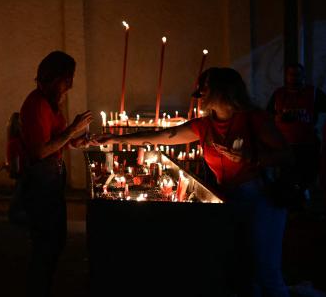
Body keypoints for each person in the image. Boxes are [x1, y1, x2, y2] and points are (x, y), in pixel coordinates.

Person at [96, 67, 291, 297]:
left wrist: (252, 158)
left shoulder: (254, 120)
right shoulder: (204, 126)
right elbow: (162, 136)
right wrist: (116, 138)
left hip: (260, 200)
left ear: (222, 90)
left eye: (205, 88)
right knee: (242, 268)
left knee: (266, 268)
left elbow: (287, 155)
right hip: (228, 201)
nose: (199, 94)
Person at [19, 51, 93, 297]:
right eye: (67, 79)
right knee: (45, 243)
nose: (70, 85)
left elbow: (58, 140)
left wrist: (77, 140)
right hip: (40, 180)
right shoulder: (36, 104)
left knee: (56, 239)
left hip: (52, 178)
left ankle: (43, 286)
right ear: (53, 77)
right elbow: (40, 151)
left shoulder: (51, 103)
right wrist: (72, 131)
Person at [266, 63, 326, 193]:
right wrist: (276, 118)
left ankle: (306, 205)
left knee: (307, 179)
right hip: (284, 146)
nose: (294, 77)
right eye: (291, 74)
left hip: (307, 145)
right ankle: (291, 207)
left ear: (303, 76)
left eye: (298, 74)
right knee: (286, 180)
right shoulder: (278, 94)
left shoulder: (313, 93)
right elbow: (266, 116)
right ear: (286, 76)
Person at [6, 111, 27, 224]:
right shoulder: (23, 141)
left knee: (16, 209)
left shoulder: (13, 143)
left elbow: (16, 168)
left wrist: (9, 168)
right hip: (28, 175)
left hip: (22, 178)